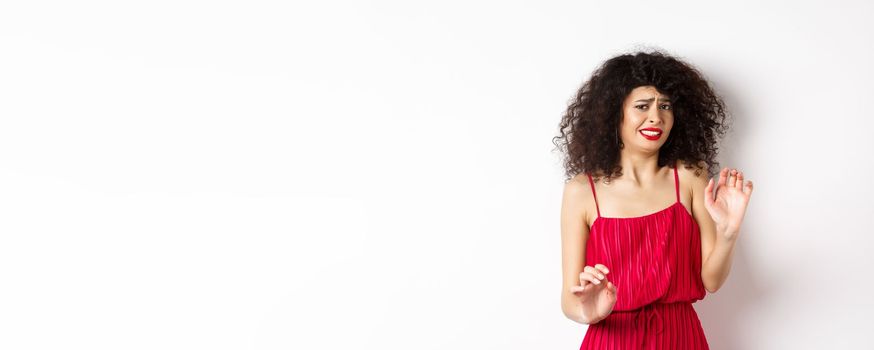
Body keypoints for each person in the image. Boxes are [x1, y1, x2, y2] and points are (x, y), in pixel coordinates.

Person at [553, 50, 754, 349]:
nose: (656, 117)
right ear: (614, 114)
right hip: (612, 340)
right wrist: (588, 310)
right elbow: (569, 300)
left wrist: (728, 233)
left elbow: (711, 280)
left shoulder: (689, 177)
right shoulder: (582, 191)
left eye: (665, 106)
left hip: (680, 338)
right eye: (642, 106)